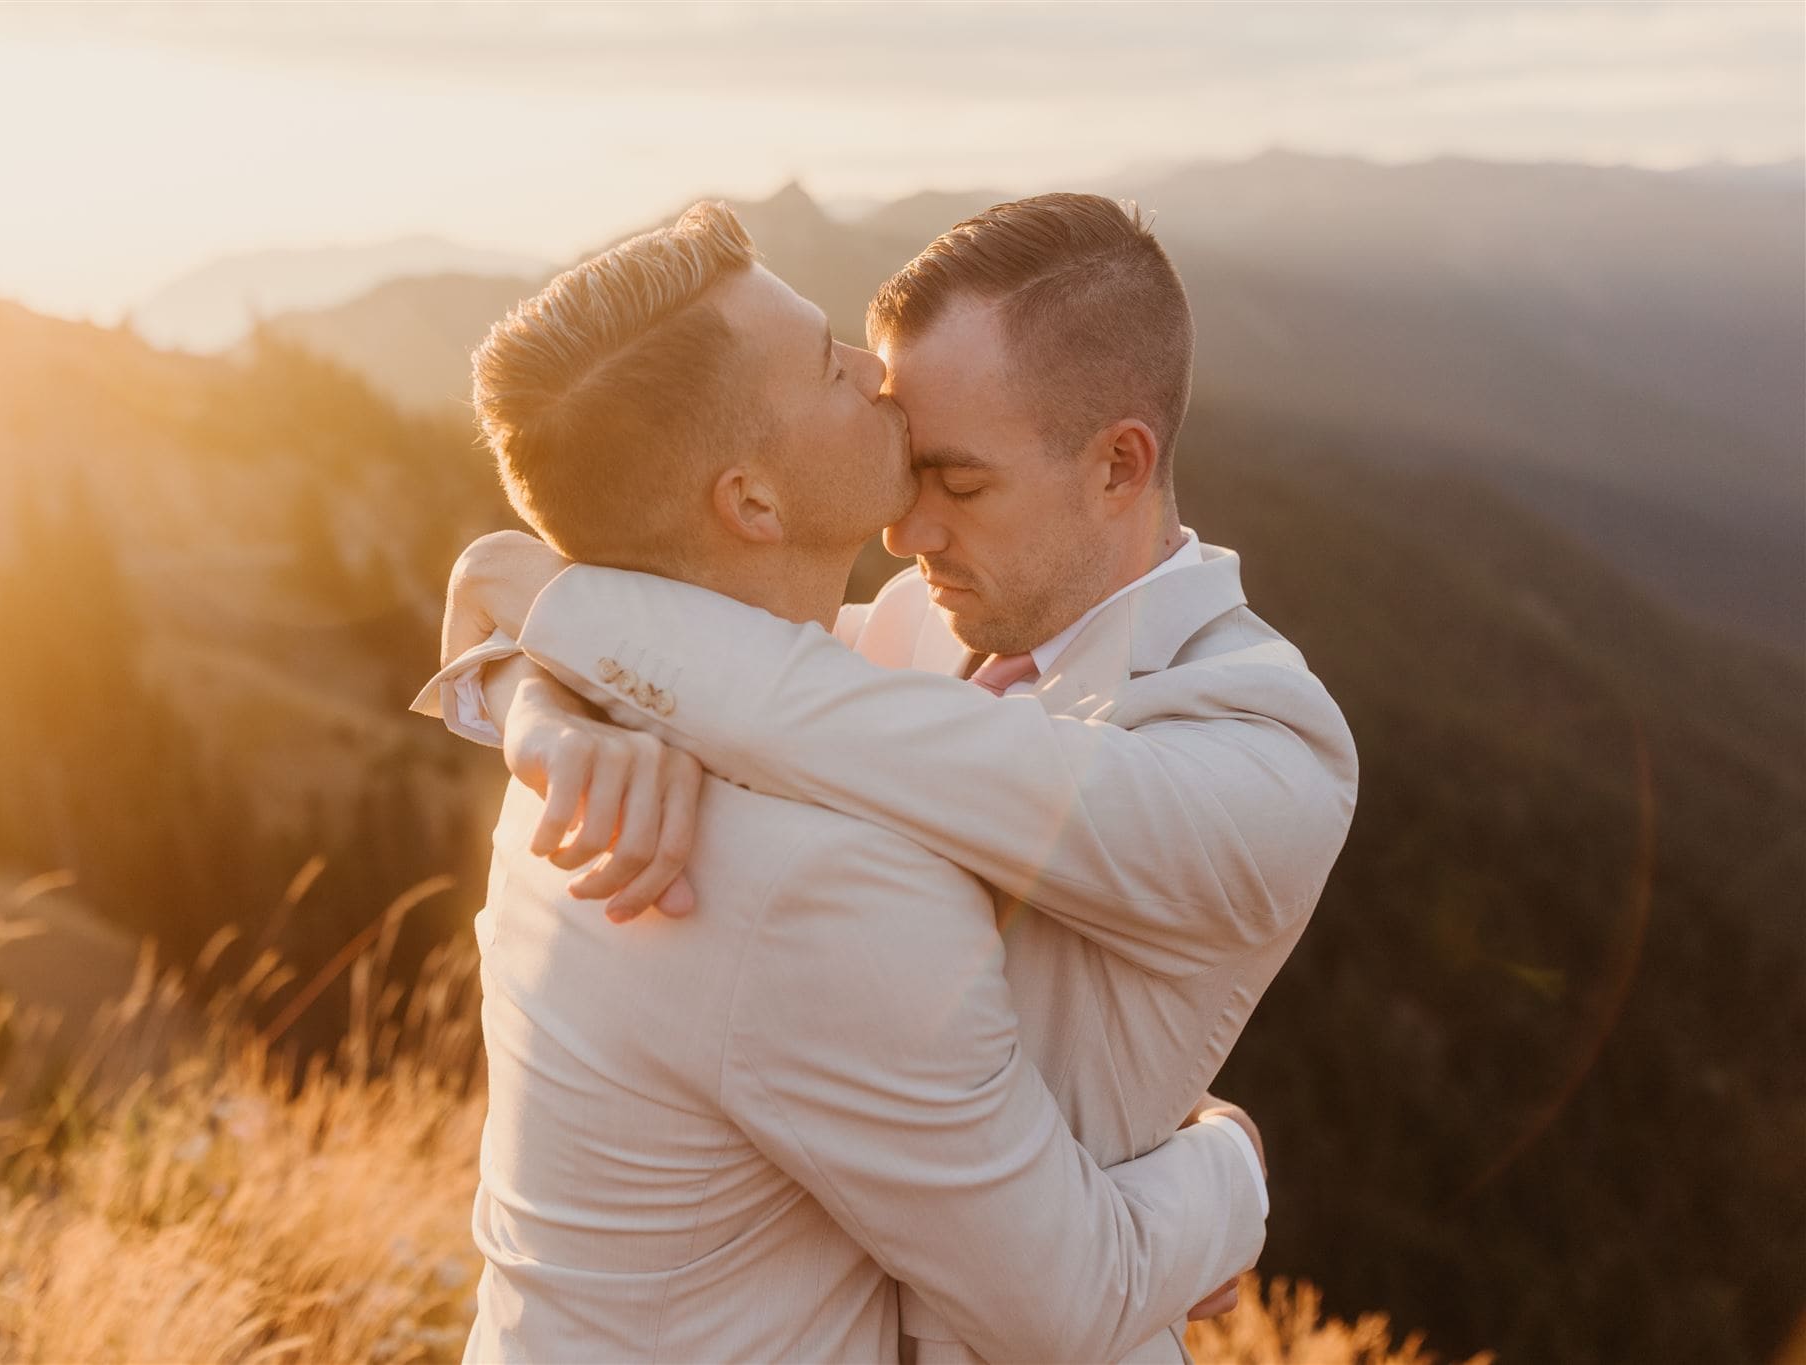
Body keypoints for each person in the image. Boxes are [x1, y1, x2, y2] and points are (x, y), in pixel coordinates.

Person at [433, 193, 1358, 1361]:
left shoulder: (1262, 755)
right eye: (862, 403)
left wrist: (547, 638)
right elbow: (773, 680)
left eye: (956, 483)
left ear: (1119, 464)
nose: (906, 531)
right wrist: (1228, 1168)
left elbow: (798, 703)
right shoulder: (880, 676)